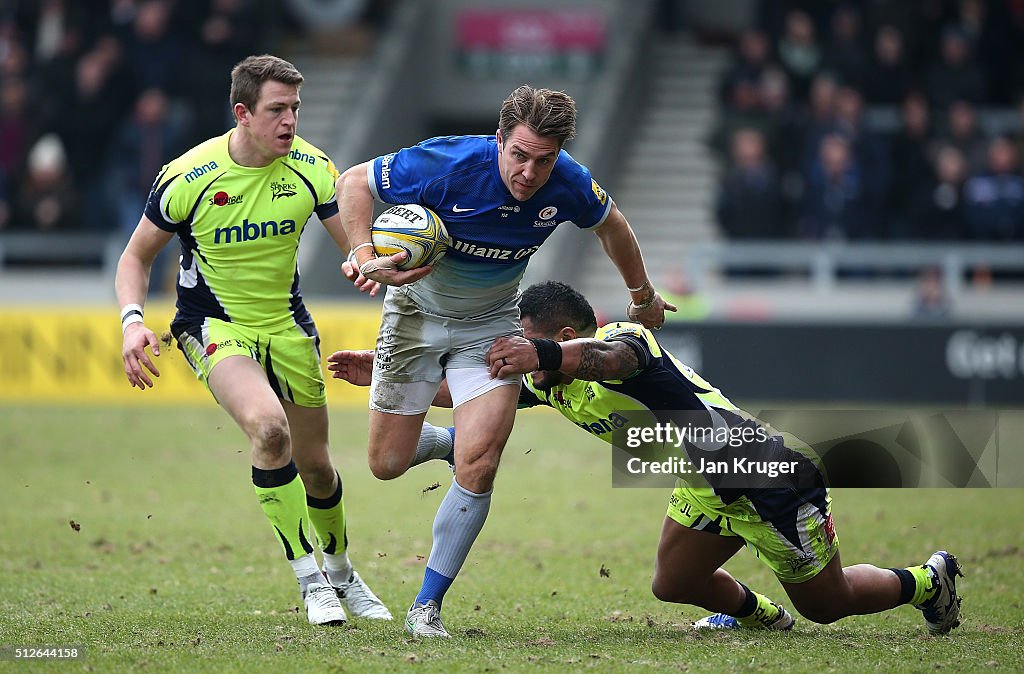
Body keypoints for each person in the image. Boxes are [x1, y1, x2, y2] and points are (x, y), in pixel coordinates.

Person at [327, 281, 963, 637]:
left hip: (765, 474)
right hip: (705, 483)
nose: (515, 351)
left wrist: (543, 356)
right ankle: (757, 618)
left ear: (567, 335)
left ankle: (928, 580)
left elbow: (610, 361)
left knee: (826, 604)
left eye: (528, 340)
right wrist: (382, 375)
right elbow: (474, 392)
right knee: (673, 585)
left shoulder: (624, 343)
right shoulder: (548, 376)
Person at [334, 85, 674, 637]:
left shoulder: (568, 181)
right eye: (519, 155)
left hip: (492, 324)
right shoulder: (447, 162)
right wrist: (362, 252)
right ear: (499, 140)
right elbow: (352, 182)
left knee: (482, 464)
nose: (529, 172)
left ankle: (426, 608)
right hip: (413, 319)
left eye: (543, 160)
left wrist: (642, 296)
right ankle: (449, 441)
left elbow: (613, 225)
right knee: (386, 464)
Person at [114, 54, 397, 627]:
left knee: (317, 466)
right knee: (270, 433)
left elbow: (357, 244)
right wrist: (132, 320)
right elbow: (135, 256)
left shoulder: (313, 168)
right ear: (242, 113)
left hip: (288, 328)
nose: (290, 121)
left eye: (295, 108)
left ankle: (342, 572)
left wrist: (369, 262)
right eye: (277, 110)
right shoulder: (188, 177)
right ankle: (309, 577)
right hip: (211, 326)